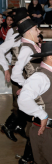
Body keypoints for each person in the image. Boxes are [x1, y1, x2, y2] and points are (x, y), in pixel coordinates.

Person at [10, 19, 43, 164]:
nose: (39, 31)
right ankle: (26, 159)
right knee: (37, 125)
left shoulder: (32, 46)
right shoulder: (27, 49)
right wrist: (26, 86)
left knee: (37, 125)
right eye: (36, 29)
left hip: (39, 90)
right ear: (29, 31)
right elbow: (16, 73)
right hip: (36, 93)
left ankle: (29, 158)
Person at [0, 8, 30, 143]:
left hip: (28, 71)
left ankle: (19, 126)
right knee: (19, 101)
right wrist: (6, 68)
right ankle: (9, 125)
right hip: (17, 70)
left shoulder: (28, 31)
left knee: (26, 101)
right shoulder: (14, 32)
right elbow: (3, 49)